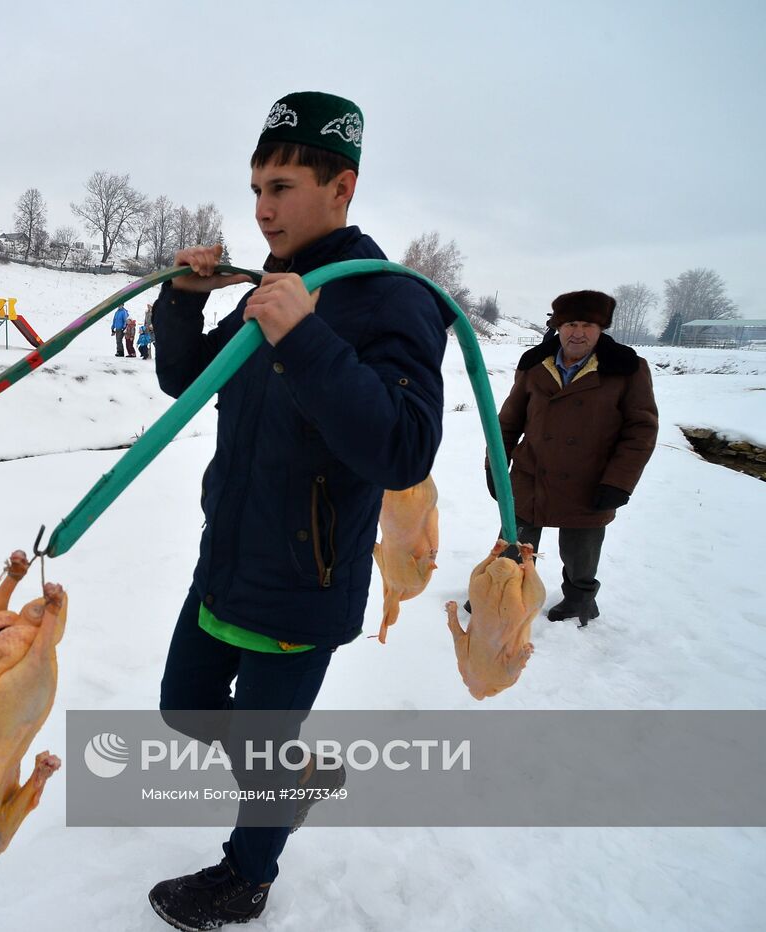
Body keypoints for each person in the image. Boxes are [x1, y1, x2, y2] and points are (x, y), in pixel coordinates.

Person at [146, 91, 453, 930]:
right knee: (185, 705)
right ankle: (288, 769)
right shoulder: (277, 286)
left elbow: (404, 447)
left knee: (261, 753)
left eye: (281, 186)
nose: (262, 208)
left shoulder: (390, 300)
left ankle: (247, 875)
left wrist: (309, 340)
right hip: (228, 559)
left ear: (342, 188)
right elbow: (187, 381)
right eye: (255, 188)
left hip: (304, 580)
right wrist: (182, 301)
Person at [489, 290, 657, 626]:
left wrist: (618, 482)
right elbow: (507, 422)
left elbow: (641, 431)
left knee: (581, 555)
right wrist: (496, 464)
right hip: (531, 473)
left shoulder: (626, 368)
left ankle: (580, 601)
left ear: (601, 329)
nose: (577, 332)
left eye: (587, 325)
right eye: (570, 324)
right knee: (513, 544)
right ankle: (500, 597)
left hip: (591, 480)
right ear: (558, 326)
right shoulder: (535, 363)